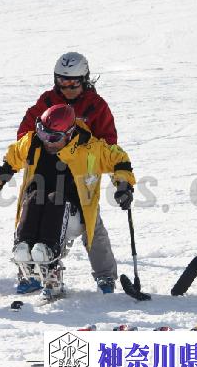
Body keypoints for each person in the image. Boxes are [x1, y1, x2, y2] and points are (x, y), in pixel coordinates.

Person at [0, 104, 136, 296]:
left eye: (53, 138)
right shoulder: (32, 143)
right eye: (42, 133)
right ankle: (26, 259)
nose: (47, 141)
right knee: (34, 197)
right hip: (39, 207)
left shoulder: (90, 148)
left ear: (69, 134)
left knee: (58, 200)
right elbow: (11, 160)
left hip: (75, 213)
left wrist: (123, 186)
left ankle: (52, 263)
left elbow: (119, 160)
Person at [16, 52, 122, 291]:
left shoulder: (96, 106)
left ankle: (105, 276)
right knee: (31, 213)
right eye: (61, 82)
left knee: (91, 226)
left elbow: (110, 147)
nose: (67, 89)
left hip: (79, 178)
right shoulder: (46, 101)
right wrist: (44, 141)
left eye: (73, 84)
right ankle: (30, 272)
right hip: (44, 170)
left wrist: (119, 181)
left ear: (84, 80)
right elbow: (24, 134)